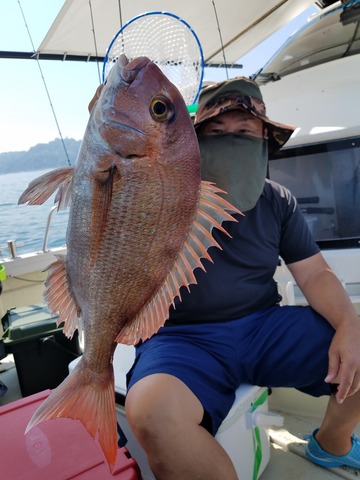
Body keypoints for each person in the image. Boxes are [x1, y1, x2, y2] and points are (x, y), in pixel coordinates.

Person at [91, 77, 360, 479]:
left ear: (263, 139)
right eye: (215, 132)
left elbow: (315, 272)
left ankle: (331, 445)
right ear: (193, 140)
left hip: (263, 326)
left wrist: (349, 324)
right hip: (181, 337)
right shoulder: (163, 190)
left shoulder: (277, 200)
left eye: (244, 132)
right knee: (151, 412)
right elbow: (111, 201)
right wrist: (103, 128)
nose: (229, 140)